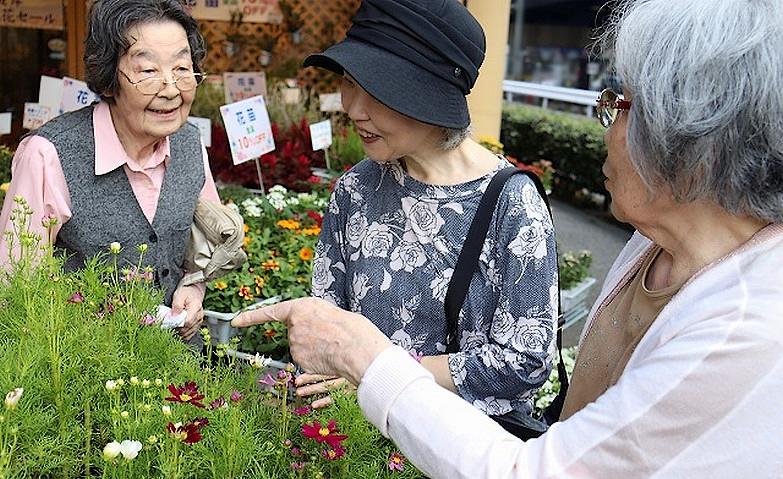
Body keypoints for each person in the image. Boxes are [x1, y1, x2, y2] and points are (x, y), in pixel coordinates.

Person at [234, 0, 783, 476]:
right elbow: (331, 316)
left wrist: (368, 363)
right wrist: (339, 361)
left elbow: (526, 389)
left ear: (689, 144)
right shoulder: (651, 246)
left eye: (619, 106)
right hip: (353, 438)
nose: (605, 127)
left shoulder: (742, 330)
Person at [295, 0, 559, 419]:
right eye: (349, 81)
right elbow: (330, 325)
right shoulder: (355, 190)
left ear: (431, 97)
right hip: (356, 443)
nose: (353, 108)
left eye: (376, 90)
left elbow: (525, 360)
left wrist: (382, 376)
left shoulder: (512, 205)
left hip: (460, 448)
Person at [0, 0, 220, 343]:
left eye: (181, 68)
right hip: (86, 371)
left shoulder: (190, 143)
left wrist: (194, 287)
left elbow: (207, 240)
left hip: (180, 374)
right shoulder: (48, 154)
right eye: (148, 71)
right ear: (106, 79)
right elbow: (18, 287)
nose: (171, 89)